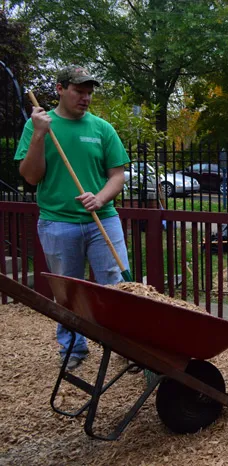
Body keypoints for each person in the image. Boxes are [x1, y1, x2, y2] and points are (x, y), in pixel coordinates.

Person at [15, 65, 131, 371]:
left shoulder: (102, 129)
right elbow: (30, 176)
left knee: (118, 286)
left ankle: (128, 347)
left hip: (102, 219)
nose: (85, 98)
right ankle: (73, 349)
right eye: (79, 91)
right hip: (57, 222)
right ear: (60, 89)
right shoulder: (38, 126)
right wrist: (39, 134)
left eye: (89, 92)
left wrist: (100, 197)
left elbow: (117, 176)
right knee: (68, 290)